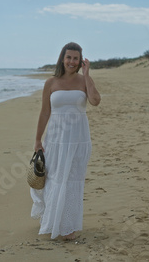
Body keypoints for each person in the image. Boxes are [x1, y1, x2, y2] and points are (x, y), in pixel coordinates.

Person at [30, 42, 101, 241]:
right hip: (55, 138)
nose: (71, 61)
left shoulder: (83, 81)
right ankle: (53, 221)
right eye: (68, 57)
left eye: (75, 58)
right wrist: (37, 139)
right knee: (55, 179)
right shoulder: (51, 83)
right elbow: (45, 112)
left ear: (81, 61)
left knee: (73, 181)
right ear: (62, 58)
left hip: (79, 139)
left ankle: (68, 226)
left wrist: (87, 76)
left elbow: (95, 101)